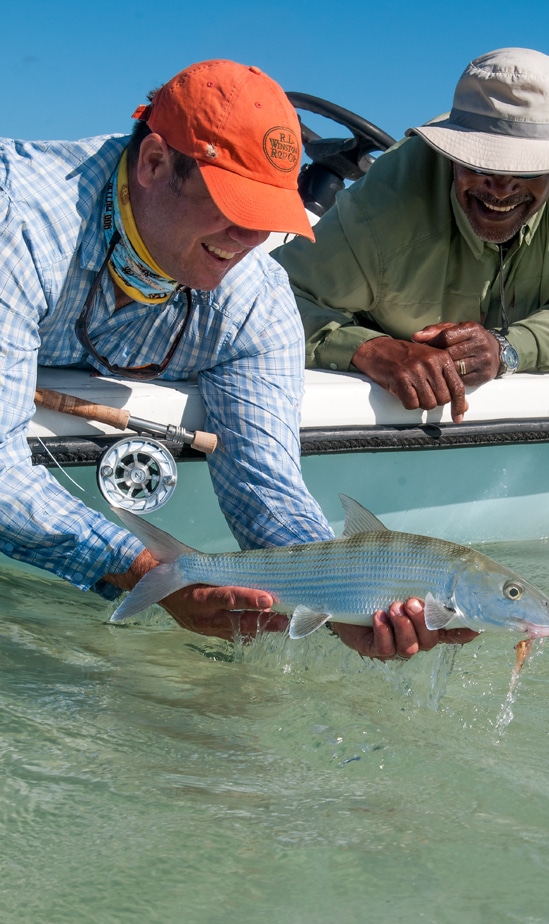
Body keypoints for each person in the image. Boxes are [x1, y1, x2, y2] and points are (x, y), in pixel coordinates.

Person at [0, 59, 476, 660]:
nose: (249, 240)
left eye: (267, 216)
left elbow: (265, 487)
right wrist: (143, 566)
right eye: (233, 205)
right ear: (152, 163)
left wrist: (345, 603)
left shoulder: (258, 301)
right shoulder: (17, 223)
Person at [272, 48, 549, 423]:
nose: (500, 189)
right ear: (451, 156)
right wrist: (370, 348)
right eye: (482, 163)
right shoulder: (384, 202)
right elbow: (264, 299)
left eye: (529, 170)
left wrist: (505, 349)